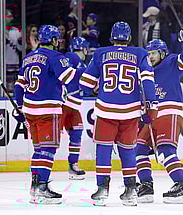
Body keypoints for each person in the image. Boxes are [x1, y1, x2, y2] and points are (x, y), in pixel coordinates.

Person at [79, 21, 158, 206]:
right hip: (130, 112)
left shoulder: (100, 53)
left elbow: (85, 84)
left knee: (104, 149)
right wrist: (151, 107)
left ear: (111, 37)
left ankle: (102, 190)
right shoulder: (140, 53)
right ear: (129, 38)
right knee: (128, 150)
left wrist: (93, 84)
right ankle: (130, 191)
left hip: (106, 110)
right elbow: (148, 81)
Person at [13, 25, 78, 205]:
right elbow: (70, 79)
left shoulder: (27, 58)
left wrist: (19, 106)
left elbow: (18, 86)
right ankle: (41, 187)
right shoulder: (55, 57)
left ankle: (35, 187)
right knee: (48, 150)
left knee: (39, 149)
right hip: (48, 110)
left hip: (30, 111)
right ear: (54, 40)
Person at [135, 28, 183, 204]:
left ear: (162, 53)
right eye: (148, 54)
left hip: (169, 112)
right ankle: (146, 185)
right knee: (138, 149)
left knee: (166, 150)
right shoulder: (144, 70)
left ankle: (182, 185)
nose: (150, 56)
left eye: (153, 53)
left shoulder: (171, 61)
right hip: (150, 115)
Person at [62, 37, 89, 180]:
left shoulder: (81, 63)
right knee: (52, 137)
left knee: (77, 133)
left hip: (74, 105)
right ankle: (40, 165)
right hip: (65, 103)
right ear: (83, 48)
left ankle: (73, 164)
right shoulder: (70, 56)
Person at [0, 9, 22, 94]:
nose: (12, 19)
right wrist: (5, 38)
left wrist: (21, 39)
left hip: (14, 68)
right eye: (9, 16)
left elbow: (21, 48)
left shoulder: (15, 31)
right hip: (0, 69)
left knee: (13, 93)